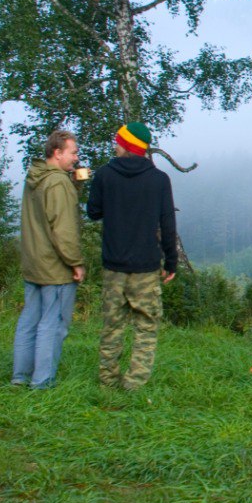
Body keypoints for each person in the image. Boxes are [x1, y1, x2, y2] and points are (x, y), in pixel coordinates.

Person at [87, 122, 177, 390]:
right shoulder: (160, 180)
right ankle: (134, 384)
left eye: (117, 141)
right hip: (146, 268)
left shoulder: (104, 175)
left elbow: (93, 212)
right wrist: (170, 262)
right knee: (146, 328)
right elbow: (168, 224)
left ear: (125, 145)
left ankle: (108, 381)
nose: (114, 145)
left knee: (112, 327)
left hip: (113, 267)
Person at [13, 129, 85, 388]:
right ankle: (42, 381)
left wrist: (73, 184)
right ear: (58, 152)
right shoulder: (58, 183)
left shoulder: (36, 177)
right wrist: (75, 262)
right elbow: (63, 229)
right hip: (54, 267)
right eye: (73, 152)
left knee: (29, 321)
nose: (77, 158)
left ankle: (20, 376)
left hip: (33, 262)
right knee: (52, 325)